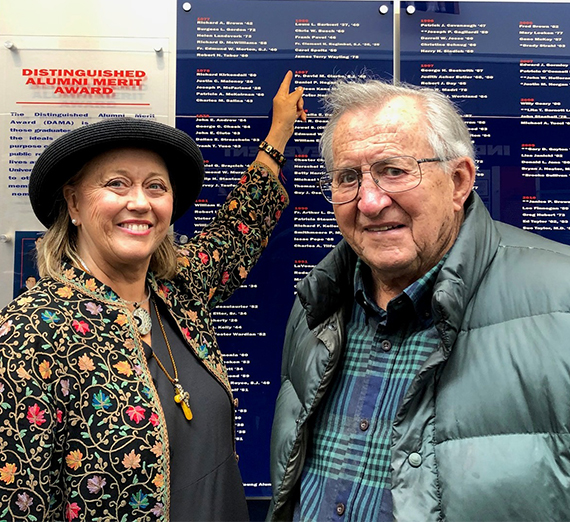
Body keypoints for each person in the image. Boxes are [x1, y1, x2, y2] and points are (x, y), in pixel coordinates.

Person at [0, 71, 305, 521]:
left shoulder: (177, 293)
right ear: (74, 204)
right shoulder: (30, 333)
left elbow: (236, 233)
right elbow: (17, 502)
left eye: (155, 186)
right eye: (117, 183)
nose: (140, 202)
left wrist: (278, 133)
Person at [268, 76, 570, 522]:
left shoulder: (560, 303)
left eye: (394, 170)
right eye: (348, 177)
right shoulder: (315, 309)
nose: (369, 202)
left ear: (458, 181)